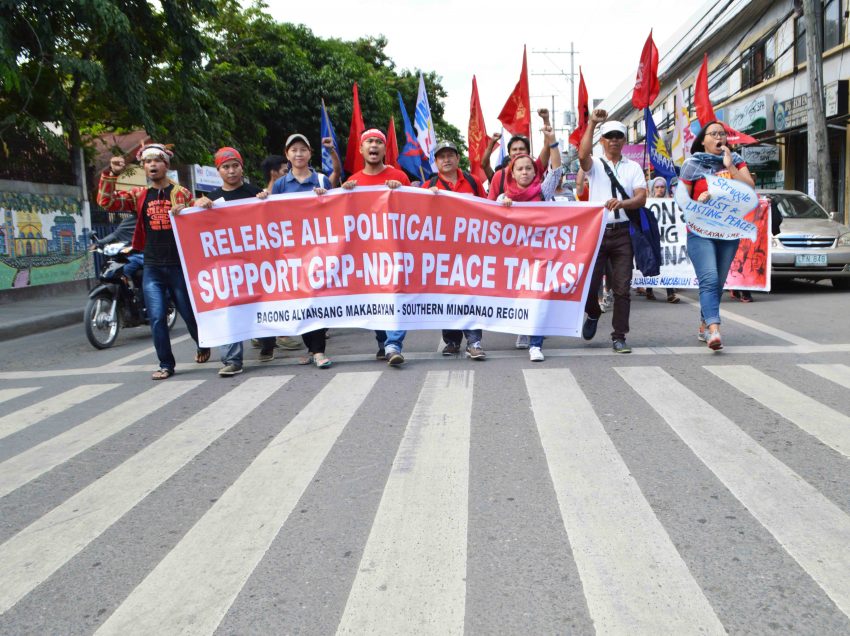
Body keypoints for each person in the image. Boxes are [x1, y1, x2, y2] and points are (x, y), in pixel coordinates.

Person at [96, 143, 210, 380]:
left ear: (166, 165)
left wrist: (201, 204)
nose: (152, 165)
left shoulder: (181, 193)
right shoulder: (139, 195)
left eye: (157, 161)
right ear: (144, 167)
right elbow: (107, 203)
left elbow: (199, 216)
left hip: (178, 266)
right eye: (147, 162)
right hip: (153, 267)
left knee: (189, 314)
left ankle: (202, 343)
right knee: (157, 317)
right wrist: (110, 174)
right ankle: (166, 364)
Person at [194, 147, 273, 376]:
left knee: (260, 303)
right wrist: (195, 209)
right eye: (225, 167)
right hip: (226, 265)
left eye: (234, 166)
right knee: (228, 308)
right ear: (218, 170)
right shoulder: (211, 200)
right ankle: (232, 359)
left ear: (242, 167)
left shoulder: (254, 193)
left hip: (255, 263)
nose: (231, 171)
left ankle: (267, 341)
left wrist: (266, 201)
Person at [679, 121, 754, 350]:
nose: (719, 137)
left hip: (728, 231)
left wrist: (730, 167)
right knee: (709, 278)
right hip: (700, 231)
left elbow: (750, 188)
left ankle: (704, 323)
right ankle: (714, 329)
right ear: (703, 140)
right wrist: (697, 202)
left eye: (722, 134)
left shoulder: (736, 161)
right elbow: (682, 200)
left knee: (718, 283)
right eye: (714, 133)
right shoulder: (692, 164)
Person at [578, 110, 648, 354]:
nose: (615, 140)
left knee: (622, 288)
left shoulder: (633, 168)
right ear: (602, 141)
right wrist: (592, 123)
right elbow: (582, 155)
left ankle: (619, 336)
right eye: (610, 136)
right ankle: (594, 312)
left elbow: (641, 197)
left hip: (623, 234)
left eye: (619, 136)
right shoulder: (595, 165)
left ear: (624, 141)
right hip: (596, 233)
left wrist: (623, 204)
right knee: (587, 285)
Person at [342, 128, 411, 366]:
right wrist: (342, 195)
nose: (374, 145)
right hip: (367, 254)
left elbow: (414, 212)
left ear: (384, 149)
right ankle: (383, 341)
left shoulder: (399, 177)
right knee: (376, 299)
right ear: (361, 149)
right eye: (369, 142)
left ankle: (394, 344)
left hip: (395, 250)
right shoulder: (352, 182)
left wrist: (401, 192)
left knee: (396, 296)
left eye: (378, 142)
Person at [497, 126, 563, 362]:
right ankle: (522, 329)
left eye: (528, 168)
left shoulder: (542, 192)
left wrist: (552, 141)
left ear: (535, 172)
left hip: (539, 255)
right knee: (519, 295)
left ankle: (536, 344)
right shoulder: (501, 198)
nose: (524, 172)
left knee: (538, 297)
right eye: (520, 169)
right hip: (514, 256)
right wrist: (501, 207)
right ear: (512, 173)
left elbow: (556, 172)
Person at [271, 133, 336, 368]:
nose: (298, 154)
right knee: (301, 300)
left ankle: (318, 351)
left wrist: (325, 198)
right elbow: (271, 215)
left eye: (303, 149)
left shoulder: (321, 180)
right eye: (293, 150)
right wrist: (261, 199)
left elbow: (336, 210)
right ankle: (312, 347)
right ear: (287, 155)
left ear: (310, 153)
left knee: (316, 299)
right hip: (292, 253)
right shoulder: (280, 184)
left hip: (318, 251)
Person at [423, 140, 488, 360]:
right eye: (441, 156)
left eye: (450, 155)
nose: (446, 159)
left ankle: (474, 341)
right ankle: (451, 341)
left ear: (458, 159)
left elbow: (488, 209)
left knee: (470, 295)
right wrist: (427, 199)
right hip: (441, 253)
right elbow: (418, 216)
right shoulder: (429, 184)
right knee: (447, 297)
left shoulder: (473, 181)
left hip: (470, 250)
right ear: (436, 161)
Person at [481, 108, 552, 182]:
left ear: (528, 152)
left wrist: (546, 119)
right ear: (509, 154)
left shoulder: (535, 169)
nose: (518, 152)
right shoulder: (499, 176)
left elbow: (547, 147)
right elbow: (484, 164)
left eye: (522, 149)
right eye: (514, 149)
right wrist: (492, 143)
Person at [644, 177, 679, 303]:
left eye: (662, 187)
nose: (660, 189)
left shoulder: (671, 203)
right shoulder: (647, 203)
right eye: (657, 187)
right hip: (653, 238)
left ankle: (670, 294)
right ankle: (649, 289)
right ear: (653, 188)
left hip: (667, 239)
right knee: (652, 262)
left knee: (667, 265)